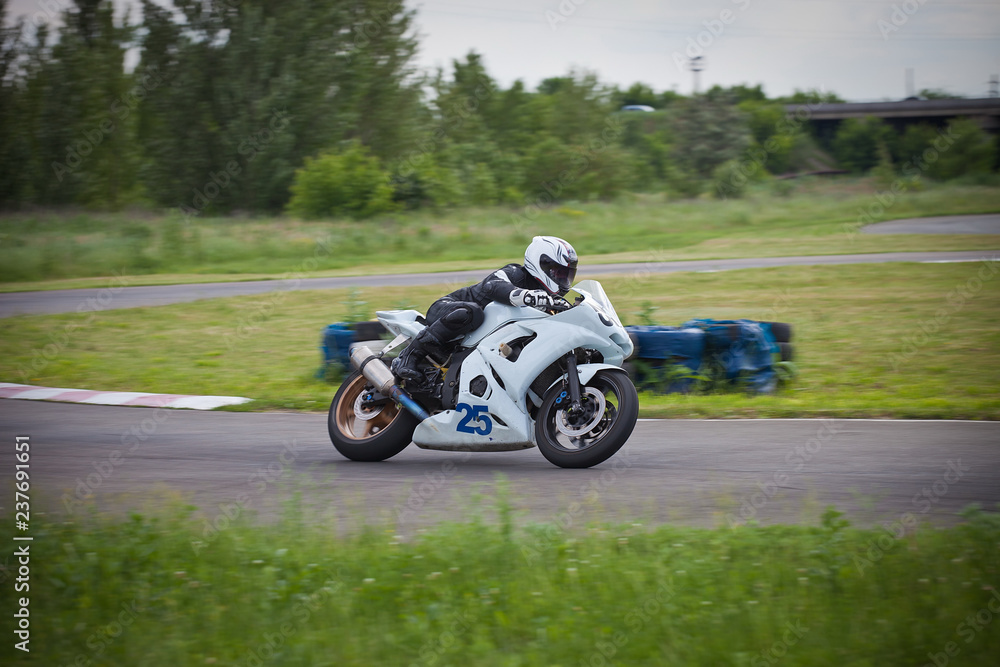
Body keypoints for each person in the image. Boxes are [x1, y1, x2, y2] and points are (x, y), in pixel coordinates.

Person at [391, 235, 579, 388]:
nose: (562, 279)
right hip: (448, 309)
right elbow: (492, 286)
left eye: (566, 274)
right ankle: (409, 356)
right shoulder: (515, 273)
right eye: (558, 273)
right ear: (541, 264)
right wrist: (527, 296)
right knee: (472, 312)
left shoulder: (549, 301)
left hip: (479, 342)